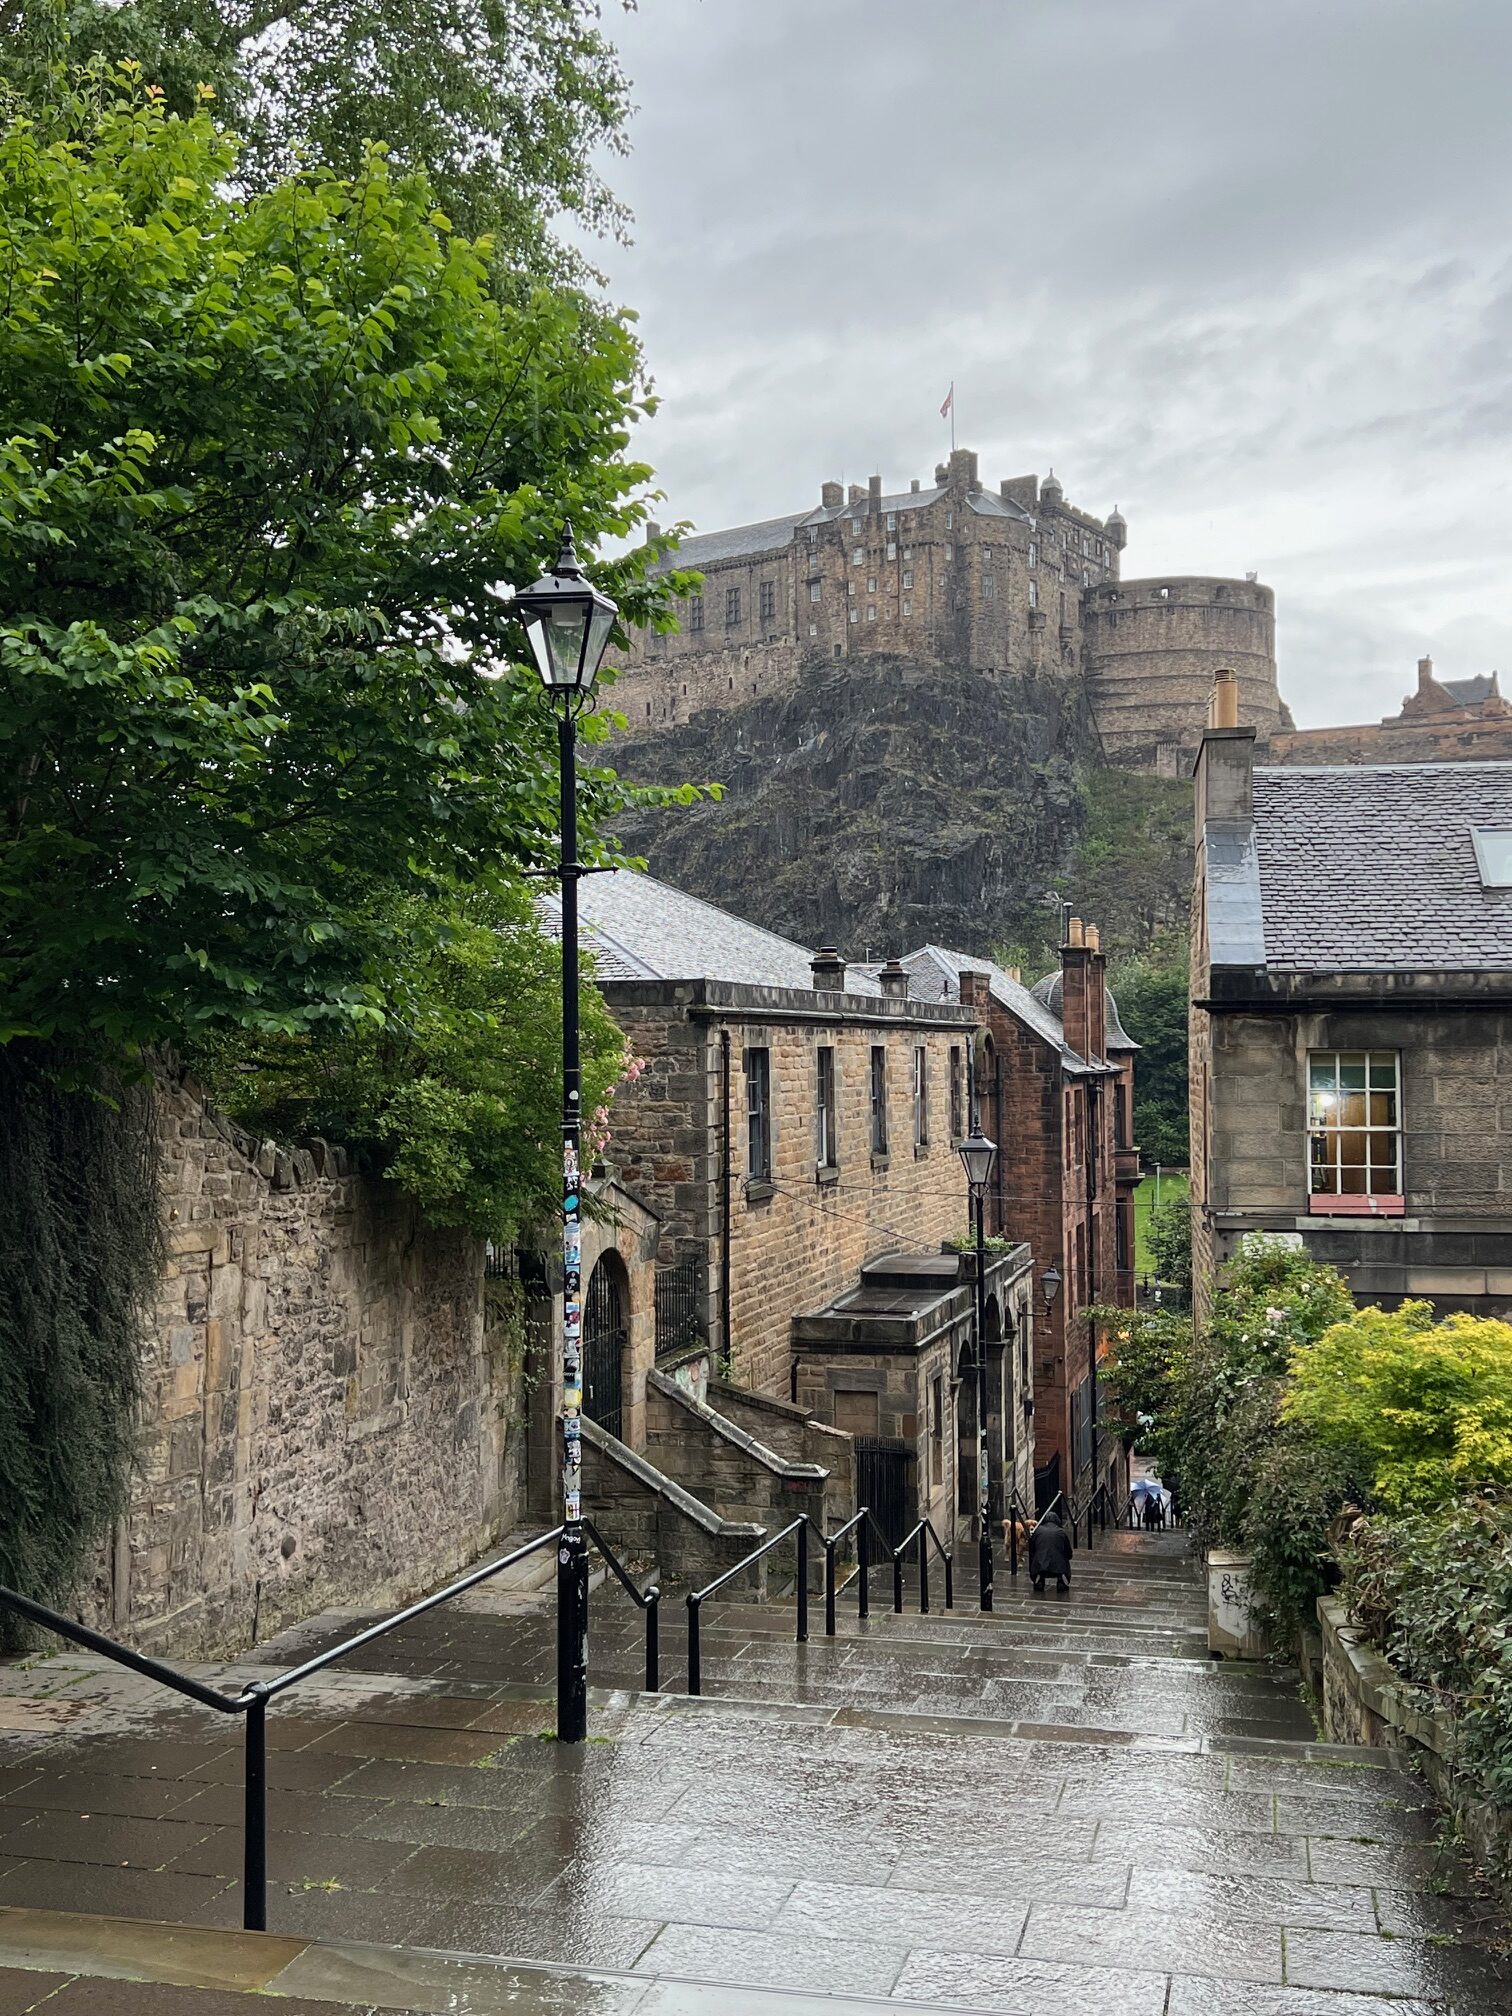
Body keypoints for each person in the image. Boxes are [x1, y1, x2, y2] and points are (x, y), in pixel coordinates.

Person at [1028, 1506, 1072, 1595]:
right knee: (1065, 1559)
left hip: (1040, 1565)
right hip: (1058, 1566)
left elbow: (1031, 1549)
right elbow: (1069, 1553)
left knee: (1035, 1557)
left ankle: (1038, 1579)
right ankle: (1062, 1581)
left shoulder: (1038, 1531)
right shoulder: (1061, 1532)